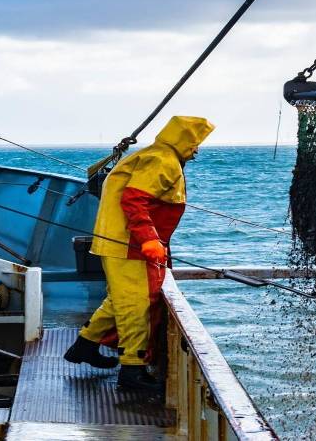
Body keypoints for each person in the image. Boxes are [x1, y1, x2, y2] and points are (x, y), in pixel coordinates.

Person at [63, 115, 215, 391]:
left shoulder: (154, 155)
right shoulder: (163, 161)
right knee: (137, 304)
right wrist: (148, 240)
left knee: (121, 299)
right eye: (194, 144)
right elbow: (133, 200)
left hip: (119, 243)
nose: (196, 151)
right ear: (183, 141)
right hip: (128, 245)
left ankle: (84, 345)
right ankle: (132, 371)